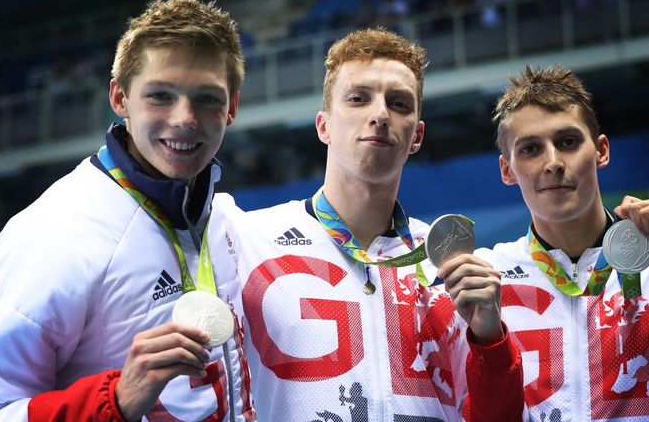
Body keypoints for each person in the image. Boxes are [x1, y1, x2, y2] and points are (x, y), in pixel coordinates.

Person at [216, 27, 523, 421]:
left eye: (398, 104)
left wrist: (490, 341)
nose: (380, 114)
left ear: (417, 135)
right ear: (323, 125)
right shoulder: (247, 240)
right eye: (358, 99)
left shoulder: (448, 264)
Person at [0, 0, 255, 421]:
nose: (185, 119)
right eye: (160, 95)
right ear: (119, 98)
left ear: (232, 107)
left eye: (207, 99)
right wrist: (115, 402)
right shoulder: (51, 234)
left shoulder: (230, 223)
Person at [475, 64, 649, 420]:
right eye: (531, 149)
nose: (552, 162)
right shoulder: (485, 279)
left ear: (601, 151)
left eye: (567, 142)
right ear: (508, 170)